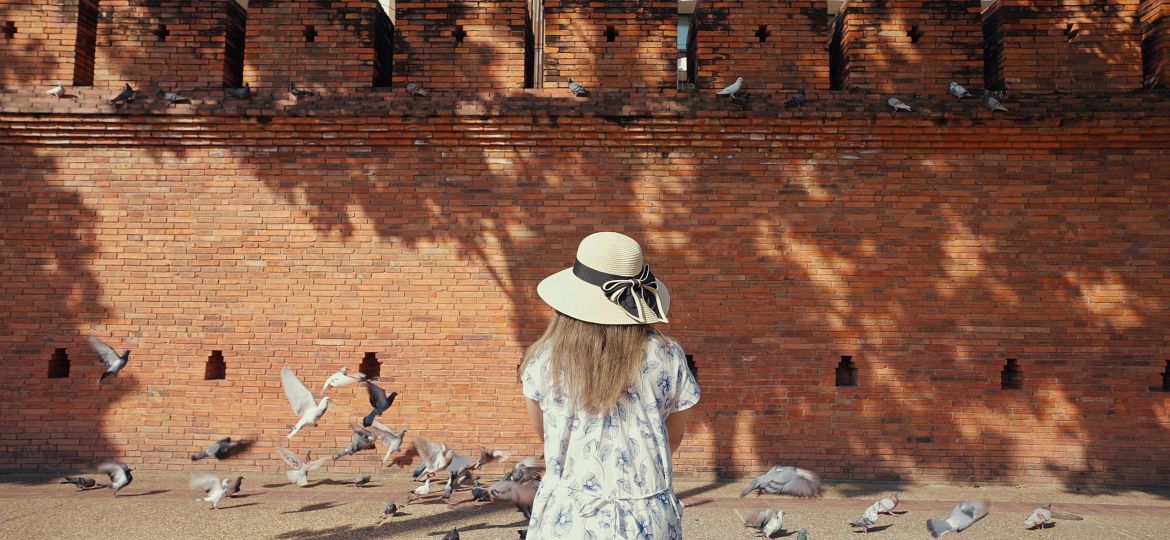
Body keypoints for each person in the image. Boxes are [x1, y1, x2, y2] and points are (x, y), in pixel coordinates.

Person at [519, 231, 701, 539]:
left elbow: (545, 432)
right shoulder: (668, 355)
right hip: (647, 518)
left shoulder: (544, 358)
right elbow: (673, 435)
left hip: (568, 517)